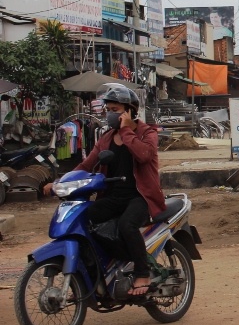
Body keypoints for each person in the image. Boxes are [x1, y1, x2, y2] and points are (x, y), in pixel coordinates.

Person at [44, 84, 166, 297]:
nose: (110, 114)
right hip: (113, 196)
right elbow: (85, 165)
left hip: (140, 197)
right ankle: (101, 267)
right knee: (86, 217)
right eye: (108, 110)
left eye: (115, 110)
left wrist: (127, 129)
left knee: (127, 225)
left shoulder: (147, 133)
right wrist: (59, 183)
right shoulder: (106, 139)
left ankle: (142, 271)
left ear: (130, 111)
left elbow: (144, 155)